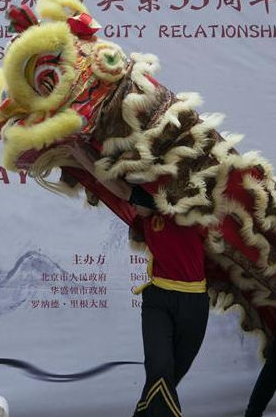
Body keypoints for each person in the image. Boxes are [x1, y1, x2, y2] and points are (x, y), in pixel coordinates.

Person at [68, 143, 209, 416]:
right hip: (158, 299)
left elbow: (123, 190)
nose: (132, 204)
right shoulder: (147, 214)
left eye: (137, 194)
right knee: (159, 370)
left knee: (165, 381)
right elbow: (114, 186)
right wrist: (78, 152)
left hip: (194, 303)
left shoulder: (180, 208)